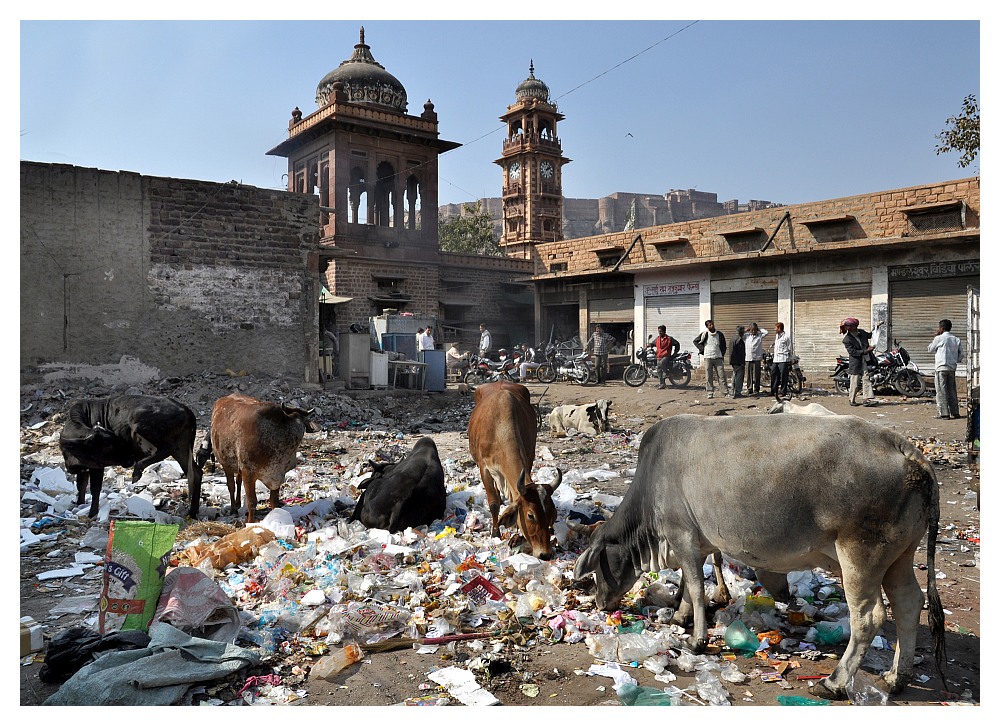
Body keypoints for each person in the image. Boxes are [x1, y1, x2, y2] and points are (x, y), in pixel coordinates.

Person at [927, 318, 964, 419]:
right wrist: (954, 360)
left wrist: (936, 336)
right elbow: (961, 354)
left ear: (942, 328)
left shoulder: (939, 338)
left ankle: (944, 413)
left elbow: (930, 349)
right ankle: (955, 412)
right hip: (952, 368)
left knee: (941, 391)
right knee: (952, 390)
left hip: (941, 368)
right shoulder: (956, 339)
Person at [841, 317, 875, 407]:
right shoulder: (847, 340)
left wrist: (876, 328)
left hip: (864, 360)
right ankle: (851, 400)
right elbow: (853, 352)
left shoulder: (862, 333)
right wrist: (866, 351)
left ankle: (866, 400)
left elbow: (870, 335)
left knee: (866, 379)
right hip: (855, 362)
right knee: (854, 382)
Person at [694, 320, 730, 399]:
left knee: (721, 376)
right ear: (707, 327)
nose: (711, 326)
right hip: (708, 357)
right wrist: (702, 350)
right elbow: (696, 341)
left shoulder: (719, 334)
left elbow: (723, 345)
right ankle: (710, 392)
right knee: (709, 376)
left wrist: (722, 354)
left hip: (718, 357)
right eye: (709, 325)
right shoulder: (705, 334)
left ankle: (725, 392)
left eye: (712, 324)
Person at [743, 323, 768, 395]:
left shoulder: (759, 336)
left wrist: (759, 329)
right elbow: (740, 334)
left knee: (757, 375)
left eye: (755, 330)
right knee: (749, 375)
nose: (753, 331)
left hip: (757, 358)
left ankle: (756, 389)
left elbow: (766, 332)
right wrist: (746, 330)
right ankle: (749, 389)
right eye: (752, 330)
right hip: (748, 358)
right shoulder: (746, 336)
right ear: (750, 330)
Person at [769, 321, 793, 400]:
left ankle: (783, 391)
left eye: (775, 328)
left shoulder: (786, 337)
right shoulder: (777, 336)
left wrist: (789, 358)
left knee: (783, 376)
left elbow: (789, 348)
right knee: (773, 374)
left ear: (779, 328)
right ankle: (774, 391)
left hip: (783, 359)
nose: (774, 329)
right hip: (776, 359)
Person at [653, 325, 680, 389]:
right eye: (659, 331)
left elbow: (677, 344)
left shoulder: (669, 339)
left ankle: (667, 373)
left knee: (661, 363)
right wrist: (647, 346)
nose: (660, 333)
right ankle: (662, 384)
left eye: (661, 331)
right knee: (659, 370)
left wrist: (675, 352)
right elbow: (652, 343)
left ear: (664, 331)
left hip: (666, 355)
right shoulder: (657, 339)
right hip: (659, 355)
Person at [730, 325, 746, 398]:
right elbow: (740, 353)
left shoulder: (732, 338)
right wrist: (742, 363)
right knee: (739, 377)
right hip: (738, 362)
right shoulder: (739, 340)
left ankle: (732, 391)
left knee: (734, 376)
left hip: (733, 361)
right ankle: (737, 392)